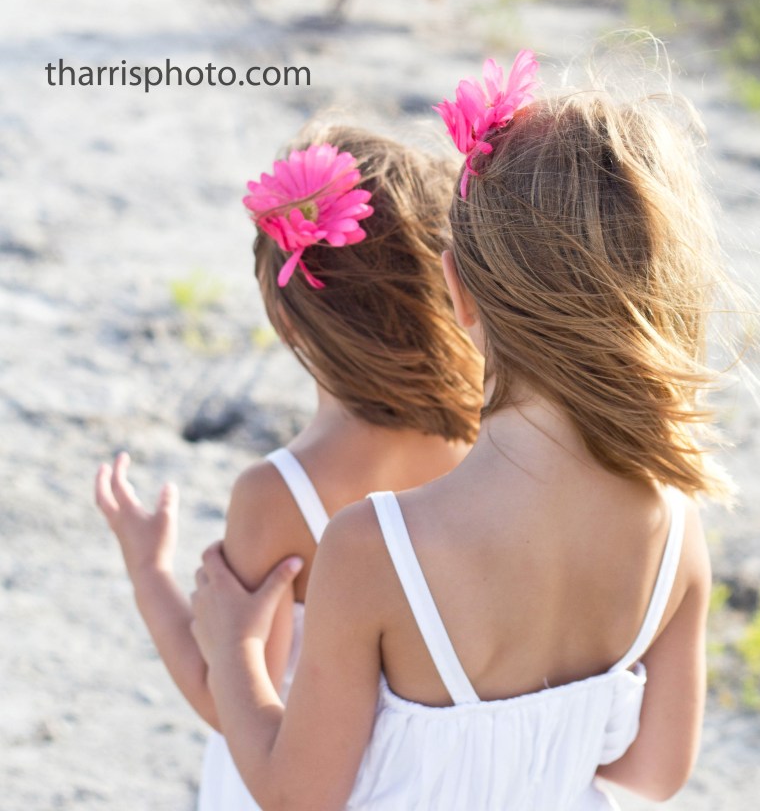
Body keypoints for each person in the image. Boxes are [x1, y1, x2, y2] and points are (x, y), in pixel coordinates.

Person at [190, 46, 749, 811]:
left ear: (458, 289)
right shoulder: (677, 528)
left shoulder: (377, 546)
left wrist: (234, 653)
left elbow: (298, 797)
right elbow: (653, 775)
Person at [94, 124, 483, 811]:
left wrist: (149, 572)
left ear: (291, 319)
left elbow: (231, 695)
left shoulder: (280, 495)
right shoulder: (485, 450)